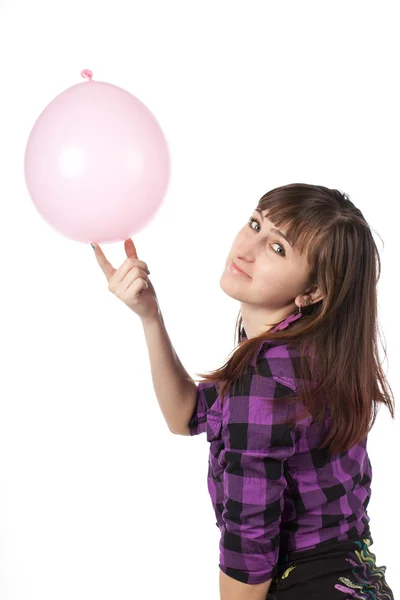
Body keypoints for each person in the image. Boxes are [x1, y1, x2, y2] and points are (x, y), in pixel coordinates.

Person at [91, 183, 395, 599]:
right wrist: (150, 316)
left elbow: (248, 548)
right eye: (255, 224)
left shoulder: (266, 379)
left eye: (278, 248)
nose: (247, 248)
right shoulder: (311, 355)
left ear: (312, 291)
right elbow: (186, 415)